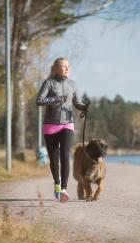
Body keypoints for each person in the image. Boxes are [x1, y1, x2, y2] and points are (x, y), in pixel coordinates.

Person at [36, 57, 88, 202]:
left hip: (67, 124)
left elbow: (77, 103)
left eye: (68, 66)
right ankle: (57, 183)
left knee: (65, 156)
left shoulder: (73, 84)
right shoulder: (49, 83)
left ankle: (64, 189)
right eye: (64, 67)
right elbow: (39, 101)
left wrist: (84, 107)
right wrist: (57, 99)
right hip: (50, 126)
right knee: (54, 159)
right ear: (56, 68)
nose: (67, 69)